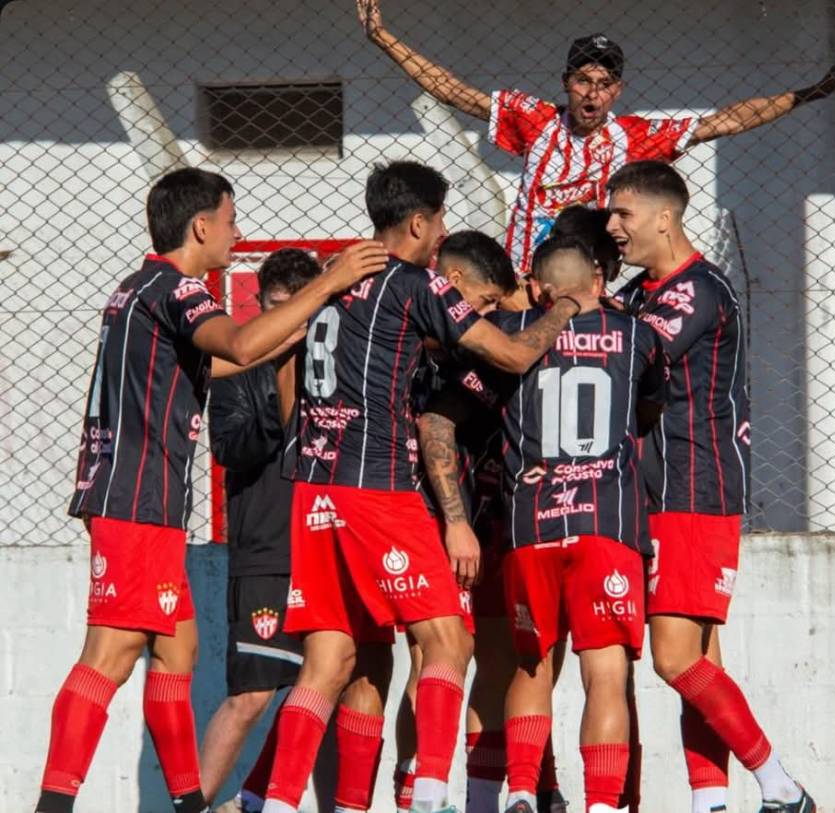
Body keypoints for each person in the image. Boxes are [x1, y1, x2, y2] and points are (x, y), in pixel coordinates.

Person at [36, 167, 388, 813]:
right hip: (135, 498)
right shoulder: (178, 289)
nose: (238, 232)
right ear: (201, 226)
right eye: (230, 220)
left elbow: (226, 358)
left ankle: (189, 804)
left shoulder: (139, 287)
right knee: (110, 654)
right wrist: (329, 282)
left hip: (144, 497)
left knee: (178, 651)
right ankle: (52, 805)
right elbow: (241, 342)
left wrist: (302, 327)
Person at [261, 161, 600, 813]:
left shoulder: (337, 272)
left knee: (332, 659)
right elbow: (512, 354)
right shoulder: (413, 281)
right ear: (418, 223)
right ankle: (433, 793)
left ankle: (280, 802)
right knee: (449, 639)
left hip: (313, 486)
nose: (442, 232)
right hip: (376, 483)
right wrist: (562, 306)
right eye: (439, 220)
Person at [421, 234, 667, 813]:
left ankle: (522, 792)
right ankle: (601, 804)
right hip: (606, 522)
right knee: (605, 671)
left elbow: (442, 417)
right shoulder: (638, 336)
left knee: (531, 664)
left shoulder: (510, 337)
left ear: (538, 288)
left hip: (531, 524)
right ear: (598, 282)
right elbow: (648, 411)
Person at [356, 0, 835, 274]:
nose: (592, 94)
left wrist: (814, 91)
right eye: (583, 81)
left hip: (589, 285)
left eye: (604, 84)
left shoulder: (634, 136)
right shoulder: (534, 119)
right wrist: (384, 38)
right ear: (567, 83)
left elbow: (727, 121)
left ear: (617, 90)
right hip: (523, 280)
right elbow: (453, 91)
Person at [608, 160, 811, 813]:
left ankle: (781, 787)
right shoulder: (640, 292)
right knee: (700, 665)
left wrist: (580, 310)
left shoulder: (698, 290)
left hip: (694, 491)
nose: (613, 226)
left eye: (623, 213)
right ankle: (710, 802)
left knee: (673, 659)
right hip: (654, 494)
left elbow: (630, 356)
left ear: (664, 217)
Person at [199, 247, 350, 813]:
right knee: (252, 696)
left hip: (329, 545)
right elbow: (230, 447)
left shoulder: (337, 364)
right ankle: (193, 804)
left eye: (296, 308)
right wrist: (280, 391)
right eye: (273, 307)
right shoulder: (239, 366)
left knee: (330, 692)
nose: (285, 321)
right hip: (267, 550)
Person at [392, 229, 518, 813]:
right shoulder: (430, 346)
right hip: (431, 519)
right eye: (486, 302)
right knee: (442, 649)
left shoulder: (420, 335)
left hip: (447, 516)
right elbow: (434, 426)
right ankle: (425, 791)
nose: (489, 315)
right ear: (456, 282)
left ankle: (427, 790)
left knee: (446, 655)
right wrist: (455, 521)